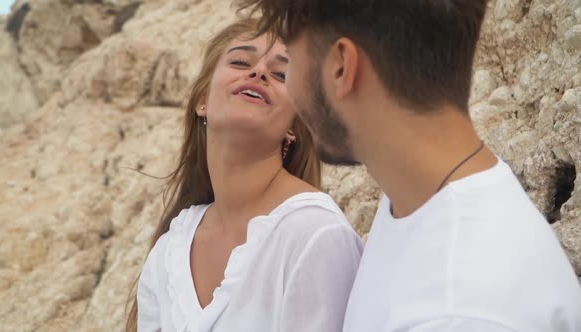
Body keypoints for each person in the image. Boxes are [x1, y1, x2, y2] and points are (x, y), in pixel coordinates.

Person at [235, 1, 581, 331]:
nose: (291, 87)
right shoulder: (418, 200)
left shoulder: (460, 310)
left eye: (291, 61)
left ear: (341, 67)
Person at [124, 18, 363, 332]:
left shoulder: (314, 234)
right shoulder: (169, 251)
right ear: (202, 101)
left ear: (295, 124)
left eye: (281, 74)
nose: (259, 72)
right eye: (240, 61)